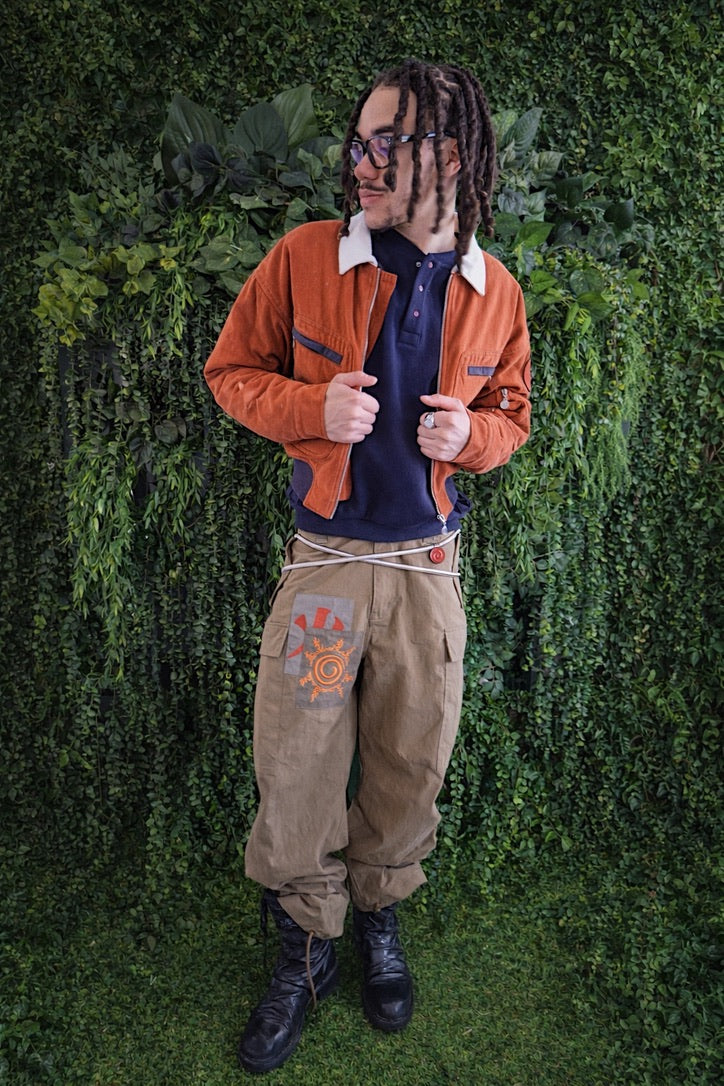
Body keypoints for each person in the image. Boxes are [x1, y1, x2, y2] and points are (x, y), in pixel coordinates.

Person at [204, 58, 531, 1073]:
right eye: (357, 140)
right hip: (327, 570)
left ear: (450, 156)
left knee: (410, 758)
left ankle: (379, 913)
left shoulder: (494, 290)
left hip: (427, 575)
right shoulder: (305, 256)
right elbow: (231, 372)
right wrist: (312, 408)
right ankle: (307, 945)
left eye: (384, 142)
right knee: (297, 757)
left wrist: (471, 438)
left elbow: (512, 413)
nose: (358, 161)